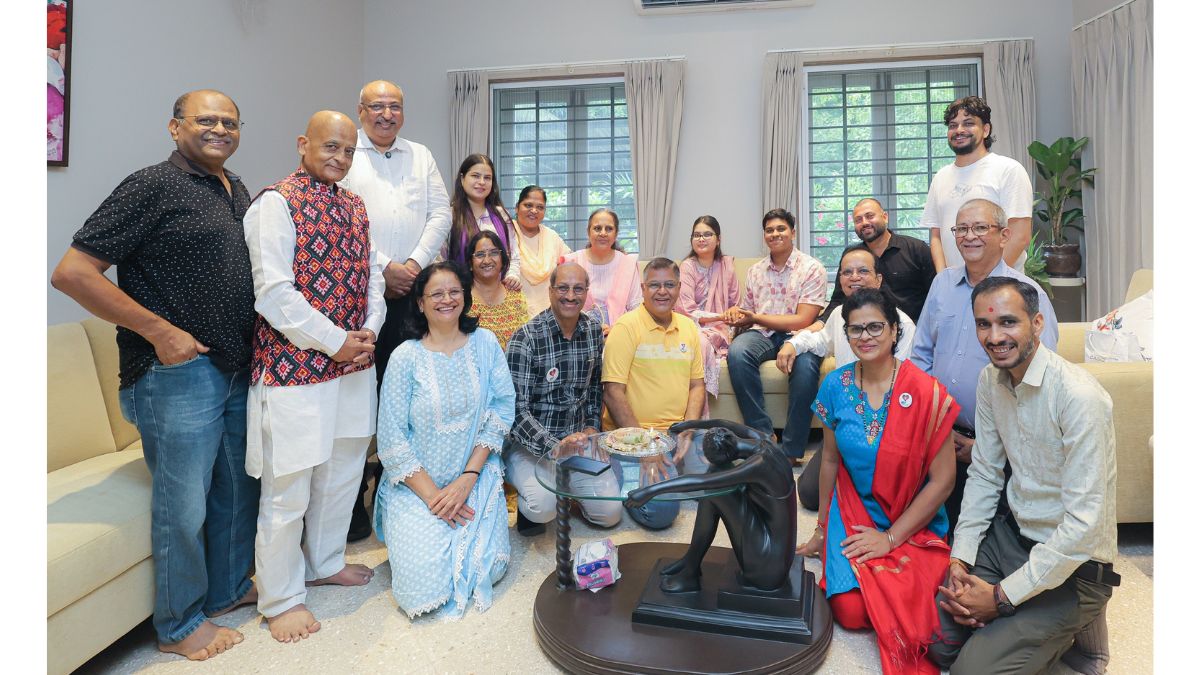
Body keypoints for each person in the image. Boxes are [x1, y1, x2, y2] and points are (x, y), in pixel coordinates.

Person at [51, 89, 258, 661]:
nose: (219, 129)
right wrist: (161, 332)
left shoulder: (235, 188)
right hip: (177, 375)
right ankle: (179, 623)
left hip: (235, 366)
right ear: (174, 127)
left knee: (237, 486)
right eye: (205, 119)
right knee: (182, 504)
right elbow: (72, 273)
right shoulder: (150, 186)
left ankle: (228, 590)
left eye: (230, 122)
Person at [929, 278, 1119, 675]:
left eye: (1008, 322)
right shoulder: (990, 380)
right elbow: (985, 472)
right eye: (984, 324)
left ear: (1036, 323)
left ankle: (1079, 637)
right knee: (937, 641)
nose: (995, 337)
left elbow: (1083, 526)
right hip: (1009, 540)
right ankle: (1027, 629)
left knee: (969, 671)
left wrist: (1001, 597)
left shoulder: (1079, 397)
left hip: (1074, 566)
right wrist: (961, 556)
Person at [242, 110, 383, 643]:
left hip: (354, 365)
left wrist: (368, 331)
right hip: (294, 369)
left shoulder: (355, 205)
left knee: (344, 471)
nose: (340, 158)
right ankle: (281, 598)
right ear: (303, 144)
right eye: (330, 147)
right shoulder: (274, 202)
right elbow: (274, 293)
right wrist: (333, 340)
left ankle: (324, 563)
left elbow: (372, 277)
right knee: (289, 487)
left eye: (348, 150)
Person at [796, 289, 959, 675]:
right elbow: (830, 460)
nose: (865, 337)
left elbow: (944, 481)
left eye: (875, 327)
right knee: (851, 612)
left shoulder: (926, 392)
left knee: (923, 607)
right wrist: (822, 529)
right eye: (855, 329)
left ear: (894, 330)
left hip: (909, 517)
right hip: (852, 506)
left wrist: (890, 538)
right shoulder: (835, 386)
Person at [339, 79, 452, 542]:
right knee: (358, 400)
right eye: (377, 106)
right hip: (359, 293)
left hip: (411, 293)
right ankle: (351, 502)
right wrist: (384, 267)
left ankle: (399, 489)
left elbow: (441, 213)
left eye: (395, 106)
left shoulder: (419, 154)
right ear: (361, 110)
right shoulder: (346, 153)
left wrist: (412, 266)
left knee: (408, 397)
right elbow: (341, 218)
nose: (387, 114)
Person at [374, 262, 516, 619]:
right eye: (436, 293)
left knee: (488, 568)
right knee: (420, 589)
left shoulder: (484, 343)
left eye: (454, 291)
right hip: (417, 487)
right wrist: (435, 498)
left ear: (465, 298)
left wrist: (467, 479)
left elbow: (501, 409)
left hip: (475, 476)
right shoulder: (405, 357)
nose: (447, 299)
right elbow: (391, 437)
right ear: (420, 303)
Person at [911, 198, 1058, 532]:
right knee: (925, 534)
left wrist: (989, 446)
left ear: (1004, 235)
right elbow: (921, 357)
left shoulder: (1027, 293)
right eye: (961, 229)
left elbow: (1040, 383)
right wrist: (931, 425)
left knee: (988, 542)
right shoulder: (942, 285)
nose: (969, 236)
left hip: (1002, 451)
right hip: (938, 437)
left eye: (980, 227)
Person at [777, 247, 916, 510]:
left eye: (863, 271)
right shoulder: (839, 314)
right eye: (847, 272)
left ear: (878, 279)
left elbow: (904, 387)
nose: (854, 277)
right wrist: (792, 344)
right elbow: (820, 340)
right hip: (847, 425)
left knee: (881, 496)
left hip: (887, 428)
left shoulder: (901, 324)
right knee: (809, 493)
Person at [504, 262, 615, 535]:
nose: (570, 296)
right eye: (563, 288)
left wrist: (591, 427)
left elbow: (594, 389)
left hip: (578, 442)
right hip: (531, 446)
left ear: (587, 291)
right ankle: (542, 494)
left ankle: (565, 489)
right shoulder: (525, 338)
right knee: (542, 508)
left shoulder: (593, 331)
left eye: (578, 289)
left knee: (610, 514)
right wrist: (554, 446)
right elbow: (516, 410)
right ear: (551, 291)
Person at [601, 257, 705, 530]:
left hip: (676, 432)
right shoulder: (626, 328)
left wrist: (688, 429)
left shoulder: (688, 327)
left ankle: (671, 473)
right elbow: (612, 392)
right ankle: (630, 476)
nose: (662, 291)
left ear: (679, 288)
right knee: (661, 512)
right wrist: (646, 447)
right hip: (634, 437)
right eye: (655, 285)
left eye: (669, 285)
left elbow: (697, 386)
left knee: (725, 484)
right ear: (643, 289)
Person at [721, 208, 827, 459]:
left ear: (793, 232)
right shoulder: (755, 271)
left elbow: (803, 319)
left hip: (799, 335)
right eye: (769, 230)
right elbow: (748, 311)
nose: (775, 234)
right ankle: (763, 436)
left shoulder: (812, 268)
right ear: (764, 235)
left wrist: (755, 317)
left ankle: (792, 449)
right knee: (737, 352)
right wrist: (737, 315)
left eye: (781, 229)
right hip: (763, 334)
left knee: (806, 369)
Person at [921, 96, 1033, 272]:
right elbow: (936, 235)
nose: (959, 130)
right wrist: (944, 278)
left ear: (985, 130)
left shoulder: (1008, 169)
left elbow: (1019, 235)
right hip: (955, 285)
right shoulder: (941, 177)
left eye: (968, 123)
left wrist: (984, 281)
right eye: (953, 125)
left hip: (1000, 284)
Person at [823, 198, 936, 323]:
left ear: (885, 217)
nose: (864, 223)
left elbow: (936, 296)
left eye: (870, 216)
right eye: (858, 220)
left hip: (913, 329)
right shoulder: (852, 256)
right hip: (863, 329)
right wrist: (818, 325)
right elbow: (838, 300)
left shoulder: (916, 249)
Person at [675, 215, 740, 411]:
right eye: (696, 235)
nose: (701, 239)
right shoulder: (687, 267)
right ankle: (697, 412)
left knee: (707, 341)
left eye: (707, 234)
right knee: (700, 342)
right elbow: (686, 309)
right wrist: (720, 317)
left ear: (718, 239)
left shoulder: (726, 265)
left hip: (722, 328)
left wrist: (732, 313)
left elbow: (735, 303)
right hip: (691, 325)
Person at [444, 153, 522, 290]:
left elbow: (513, 256)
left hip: (500, 292)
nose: (481, 182)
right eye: (475, 176)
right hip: (461, 293)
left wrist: (512, 276)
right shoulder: (449, 216)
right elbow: (440, 262)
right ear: (462, 178)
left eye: (487, 178)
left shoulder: (502, 215)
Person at [563, 208, 641, 336]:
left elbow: (636, 308)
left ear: (616, 234)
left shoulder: (628, 264)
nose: (603, 233)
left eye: (609, 229)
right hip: (579, 335)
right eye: (597, 228)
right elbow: (563, 306)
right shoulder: (572, 262)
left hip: (621, 334)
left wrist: (617, 330)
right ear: (588, 232)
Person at [465, 230, 530, 350]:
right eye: (480, 255)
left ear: (503, 260)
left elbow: (527, 342)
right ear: (470, 263)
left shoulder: (516, 296)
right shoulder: (462, 300)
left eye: (494, 253)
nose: (487, 260)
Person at [513, 184, 571, 315]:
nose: (534, 211)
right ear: (517, 207)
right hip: (514, 313)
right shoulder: (506, 233)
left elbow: (571, 262)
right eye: (528, 205)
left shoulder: (551, 236)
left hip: (549, 313)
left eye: (540, 207)